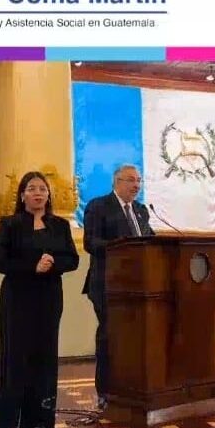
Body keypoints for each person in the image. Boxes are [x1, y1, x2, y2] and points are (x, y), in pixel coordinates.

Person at [0, 171, 79, 428]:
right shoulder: (9, 225)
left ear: (48, 195)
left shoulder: (60, 226)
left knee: (44, 357)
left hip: (49, 298)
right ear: (22, 195)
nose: (38, 193)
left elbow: (72, 259)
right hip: (17, 298)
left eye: (42, 188)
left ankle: (38, 421)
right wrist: (32, 267)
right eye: (32, 188)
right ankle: (5, 424)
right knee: (14, 359)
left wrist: (53, 264)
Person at [82, 164, 155, 411]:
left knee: (133, 339)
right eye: (131, 180)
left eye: (139, 181)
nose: (136, 185)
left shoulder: (142, 210)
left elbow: (150, 240)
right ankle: (105, 391)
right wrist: (122, 246)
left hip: (139, 287)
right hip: (107, 284)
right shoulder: (98, 206)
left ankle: (130, 387)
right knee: (110, 336)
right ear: (117, 182)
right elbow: (90, 242)